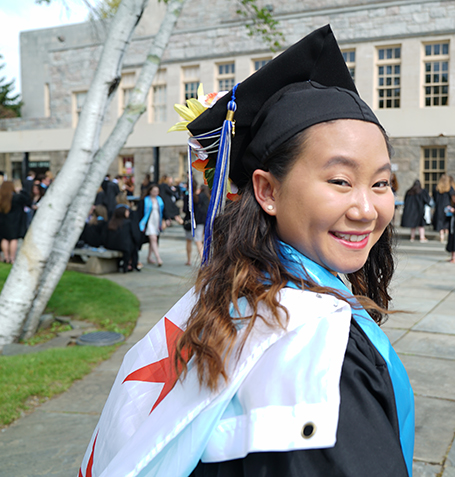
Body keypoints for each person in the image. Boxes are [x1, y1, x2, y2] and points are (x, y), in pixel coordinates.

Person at [79, 26, 414, 477]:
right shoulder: (315, 354)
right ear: (267, 191)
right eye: (340, 180)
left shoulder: (225, 298)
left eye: (381, 183)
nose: (366, 209)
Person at [0, 181, 32, 263]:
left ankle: (6, 257)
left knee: (4, 239)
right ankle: (12, 258)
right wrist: (21, 191)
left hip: (3, 222)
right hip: (15, 222)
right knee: (13, 239)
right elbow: (28, 200)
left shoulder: (2, 199)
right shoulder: (16, 198)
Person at [183, 182, 209, 265]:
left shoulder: (188, 197)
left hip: (190, 221)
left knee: (189, 240)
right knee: (198, 241)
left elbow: (185, 209)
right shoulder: (201, 197)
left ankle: (189, 260)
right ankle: (203, 259)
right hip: (200, 221)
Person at [105, 205, 136, 272]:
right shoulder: (128, 223)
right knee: (132, 246)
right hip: (124, 247)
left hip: (110, 245)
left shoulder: (111, 223)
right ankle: (127, 265)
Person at [139, 183, 164, 266]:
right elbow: (141, 212)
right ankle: (158, 258)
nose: (155, 193)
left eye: (157, 191)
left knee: (152, 240)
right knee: (153, 238)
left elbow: (163, 211)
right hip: (148, 221)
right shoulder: (145, 200)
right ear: (150, 191)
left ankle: (149, 257)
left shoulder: (159, 200)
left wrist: (165, 220)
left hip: (156, 221)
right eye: (154, 191)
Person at [433, 174, 454, 242]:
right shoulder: (450, 188)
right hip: (447, 206)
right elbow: (452, 197)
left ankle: (441, 235)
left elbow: (434, 197)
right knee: (447, 221)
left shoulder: (437, 188)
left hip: (439, 206)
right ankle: (447, 234)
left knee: (440, 221)